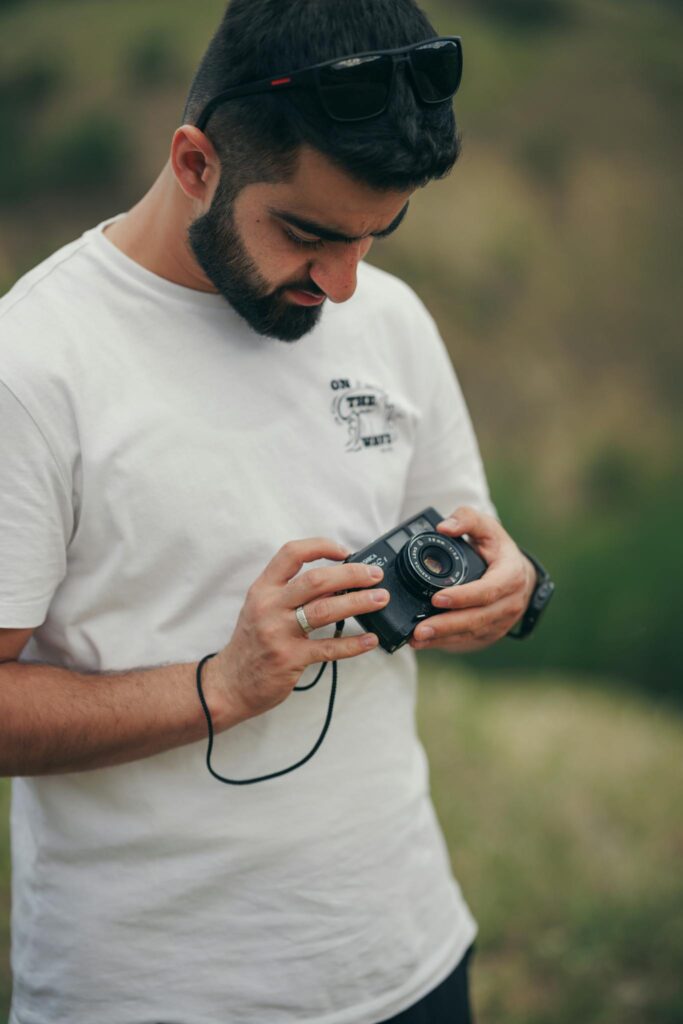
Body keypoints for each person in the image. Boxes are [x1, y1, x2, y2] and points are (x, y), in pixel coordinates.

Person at [0, 1, 546, 1021]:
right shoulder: (31, 365)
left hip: (408, 956)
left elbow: (471, 548)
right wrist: (219, 684)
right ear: (196, 163)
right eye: (307, 235)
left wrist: (511, 589)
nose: (344, 287)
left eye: (374, 239)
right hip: (155, 993)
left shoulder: (389, 319)